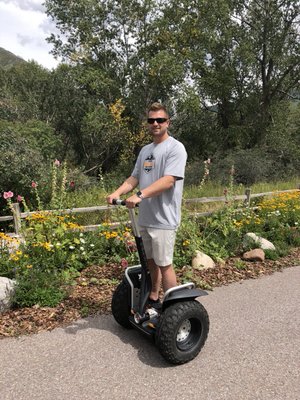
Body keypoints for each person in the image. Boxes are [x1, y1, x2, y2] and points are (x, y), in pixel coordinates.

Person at [107, 102, 187, 306]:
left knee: (164, 263)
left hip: (163, 218)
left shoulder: (176, 148)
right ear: (148, 124)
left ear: (167, 122)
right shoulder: (145, 151)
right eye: (151, 120)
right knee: (149, 262)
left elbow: (169, 180)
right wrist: (117, 192)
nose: (155, 123)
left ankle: (173, 308)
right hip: (145, 218)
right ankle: (153, 295)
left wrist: (140, 196)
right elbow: (134, 177)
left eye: (160, 120)